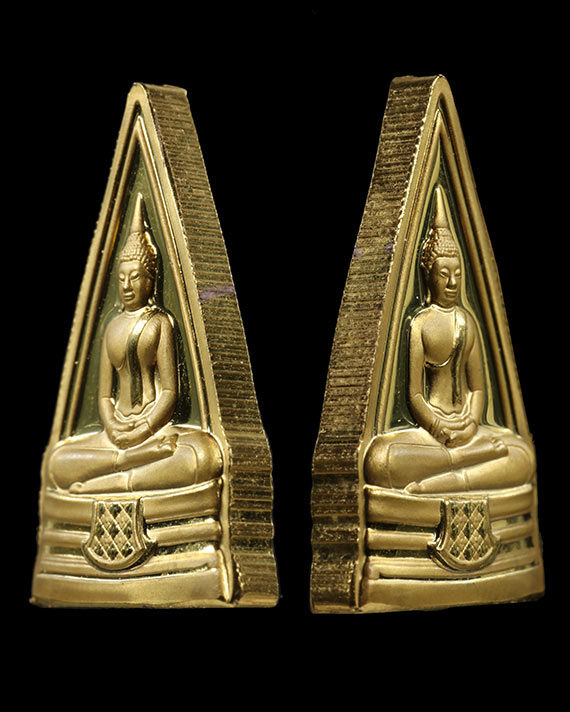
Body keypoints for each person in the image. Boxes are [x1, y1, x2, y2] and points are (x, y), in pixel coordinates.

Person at [363, 187, 534, 494]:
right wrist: (438, 427)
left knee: (522, 454)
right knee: (381, 460)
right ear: (429, 276)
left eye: (457, 274)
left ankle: (449, 477)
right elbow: (415, 396)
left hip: (468, 429)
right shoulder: (420, 323)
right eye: (444, 273)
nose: (452, 282)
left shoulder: (467, 322)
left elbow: (477, 388)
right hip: (433, 432)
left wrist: (471, 422)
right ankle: (468, 461)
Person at [49, 194, 222, 493]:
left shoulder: (159, 322)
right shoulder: (112, 327)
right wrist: (114, 428)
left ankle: (102, 482)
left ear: (151, 280)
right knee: (58, 461)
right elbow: (105, 396)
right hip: (118, 433)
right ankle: (126, 462)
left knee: (204, 455)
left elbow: (169, 392)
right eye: (121, 278)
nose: (127, 286)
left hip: (153, 428)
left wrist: (145, 428)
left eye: (136, 277)